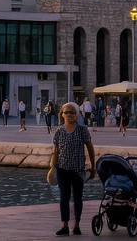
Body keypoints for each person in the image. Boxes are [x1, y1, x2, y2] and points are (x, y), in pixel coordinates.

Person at [49, 101, 96, 235]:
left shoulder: (82, 130)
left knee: (77, 198)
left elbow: (90, 148)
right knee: (64, 197)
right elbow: (56, 151)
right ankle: (64, 226)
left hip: (78, 170)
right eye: (67, 112)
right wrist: (52, 167)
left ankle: (77, 225)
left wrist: (93, 167)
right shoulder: (59, 132)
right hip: (62, 170)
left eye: (72, 112)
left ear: (77, 115)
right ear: (62, 115)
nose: (69, 115)